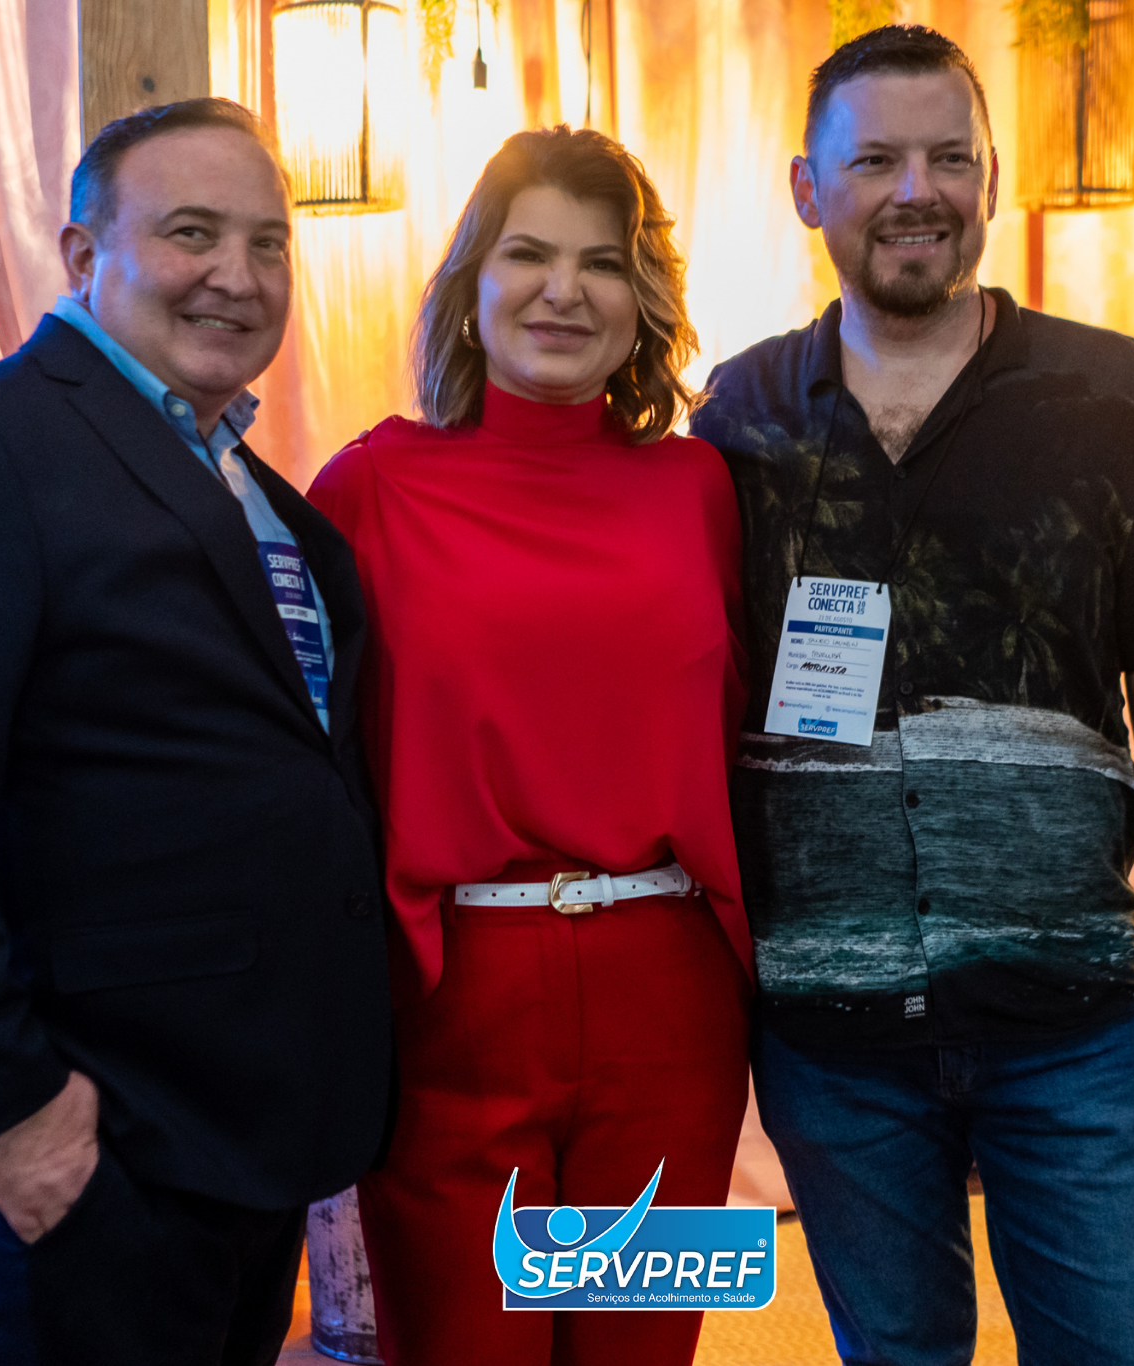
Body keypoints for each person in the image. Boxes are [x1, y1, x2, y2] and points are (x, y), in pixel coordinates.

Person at [689, 26, 1134, 1366]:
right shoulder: (741, 414)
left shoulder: (1104, 391)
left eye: (948, 158)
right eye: (874, 160)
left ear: (991, 180)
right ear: (807, 189)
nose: (916, 191)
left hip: (1069, 1016)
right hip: (829, 1030)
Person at [0, 99, 390, 1366]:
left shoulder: (263, 493)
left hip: (250, 1119)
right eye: (191, 233)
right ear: (83, 255)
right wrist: (3, 1108)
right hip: (97, 1133)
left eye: (268, 242)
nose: (237, 275)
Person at [307, 125, 753, 1366]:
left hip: (669, 1002)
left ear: (641, 299)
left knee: (636, 1354)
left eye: (601, 262)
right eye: (528, 254)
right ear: (471, 284)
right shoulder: (367, 488)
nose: (564, 290)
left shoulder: (699, 489)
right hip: (455, 998)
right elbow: (314, 759)